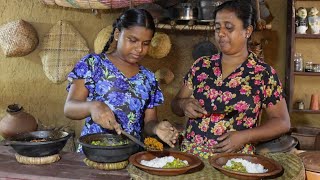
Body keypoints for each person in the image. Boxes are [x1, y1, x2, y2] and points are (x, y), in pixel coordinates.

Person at [171, 0, 290, 159]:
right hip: (192, 158)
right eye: (217, 27)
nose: (220, 33)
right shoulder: (201, 66)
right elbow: (176, 105)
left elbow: (282, 122)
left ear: (247, 31)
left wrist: (245, 136)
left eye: (229, 27)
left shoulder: (263, 74)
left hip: (235, 161)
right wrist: (183, 104)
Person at [64, 8, 178, 152]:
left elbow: (149, 122)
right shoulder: (93, 64)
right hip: (93, 153)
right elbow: (69, 108)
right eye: (133, 40)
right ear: (118, 34)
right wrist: (93, 106)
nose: (139, 49)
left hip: (132, 155)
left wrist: (156, 128)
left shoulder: (148, 78)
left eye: (146, 43)